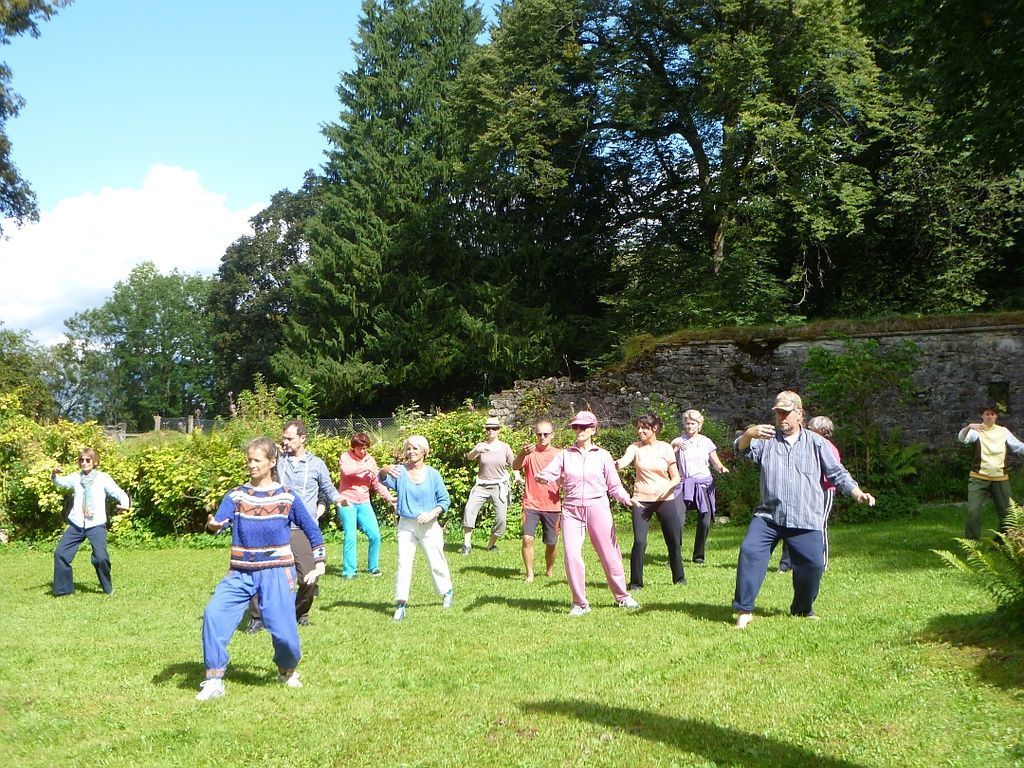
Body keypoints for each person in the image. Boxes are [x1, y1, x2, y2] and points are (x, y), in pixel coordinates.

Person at [732, 391, 875, 629]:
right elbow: (741, 449)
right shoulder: (766, 439)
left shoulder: (817, 443)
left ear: (799, 414)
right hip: (769, 517)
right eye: (778, 413)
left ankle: (802, 609)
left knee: (813, 566)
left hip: (805, 517)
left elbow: (837, 473)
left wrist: (857, 493)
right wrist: (748, 433)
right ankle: (744, 610)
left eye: (786, 413)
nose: (781, 418)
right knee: (750, 552)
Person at [197, 437, 326, 700]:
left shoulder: (286, 496)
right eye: (249, 460)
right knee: (214, 614)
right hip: (240, 572)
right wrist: (212, 526)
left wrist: (320, 562)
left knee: (285, 634)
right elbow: (218, 524)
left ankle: (286, 670)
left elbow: (311, 529)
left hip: (277, 572)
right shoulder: (236, 495)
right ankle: (214, 680)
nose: (251, 465)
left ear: (272, 461)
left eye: (257, 460)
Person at [536, 410, 641, 615]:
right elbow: (550, 472)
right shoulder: (565, 455)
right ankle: (580, 604)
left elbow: (614, 485)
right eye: (576, 427)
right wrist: (543, 476)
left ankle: (622, 597)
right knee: (571, 555)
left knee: (609, 554)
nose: (579, 430)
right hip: (571, 510)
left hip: (597, 507)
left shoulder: (603, 455)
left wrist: (626, 498)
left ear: (593, 429)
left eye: (583, 427)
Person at [246, 419, 342, 633]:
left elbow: (328, 488)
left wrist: (339, 499)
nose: (285, 442)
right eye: (284, 438)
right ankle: (257, 617)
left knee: (309, 575)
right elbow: (261, 456)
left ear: (303, 438)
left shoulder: (316, 464)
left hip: (303, 528)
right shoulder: (278, 460)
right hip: (276, 524)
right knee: (258, 571)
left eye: (290, 438)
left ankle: (298, 613)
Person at [380, 435, 454, 621]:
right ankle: (401, 604)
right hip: (406, 525)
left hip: (429, 525)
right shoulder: (400, 472)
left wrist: (432, 514)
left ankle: (446, 592)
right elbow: (381, 478)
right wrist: (384, 469)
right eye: (408, 448)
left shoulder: (433, 474)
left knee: (436, 561)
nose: (411, 452)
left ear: (424, 451)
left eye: (415, 448)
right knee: (404, 562)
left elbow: (444, 500)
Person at [616, 412, 685, 590]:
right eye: (638, 428)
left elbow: (676, 477)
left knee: (673, 540)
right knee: (640, 541)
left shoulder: (665, 448)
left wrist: (667, 486)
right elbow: (624, 461)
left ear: (655, 428)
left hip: (665, 500)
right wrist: (614, 464)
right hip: (641, 500)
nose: (640, 431)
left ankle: (679, 578)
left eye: (644, 428)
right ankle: (635, 583)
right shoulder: (635, 447)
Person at [51, 448, 130, 596]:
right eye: (82, 460)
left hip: (96, 524)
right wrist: (54, 474)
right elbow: (60, 482)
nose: (84, 463)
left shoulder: (103, 478)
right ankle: (64, 591)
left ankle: (107, 588)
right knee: (60, 554)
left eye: (88, 460)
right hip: (77, 524)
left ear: (95, 462)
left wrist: (125, 504)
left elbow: (118, 492)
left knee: (101, 558)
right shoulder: (76, 477)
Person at [777, 415, 840, 572]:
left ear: (822, 431)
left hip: (824, 490)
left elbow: (834, 473)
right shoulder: (806, 444)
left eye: (811, 429)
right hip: (806, 491)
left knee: (820, 525)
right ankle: (788, 563)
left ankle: (822, 563)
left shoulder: (828, 447)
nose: (807, 431)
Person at [670, 409, 729, 564]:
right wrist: (673, 447)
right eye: (687, 423)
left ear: (699, 425)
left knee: (705, 521)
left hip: (703, 484)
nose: (690, 426)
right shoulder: (679, 441)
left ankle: (698, 555)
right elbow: (667, 459)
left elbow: (715, 462)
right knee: (677, 518)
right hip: (684, 484)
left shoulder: (706, 442)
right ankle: (675, 555)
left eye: (693, 423)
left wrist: (721, 468)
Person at [958, 403, 1024, 539]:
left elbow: (1018, 447)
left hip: (1000, 478)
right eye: (987, 414)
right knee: (973, 512)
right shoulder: (976, 430)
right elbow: (962, 439)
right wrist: (968, 427)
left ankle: (1002, 543)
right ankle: (972, 545)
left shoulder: (1003, 431)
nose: (989, 417)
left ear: (996, 416)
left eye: (992, 414)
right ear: (982, 416)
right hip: (978, 478)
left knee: (1008, 514)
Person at [337, 432, 395, 578]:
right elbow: (346, 471)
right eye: (360, 448)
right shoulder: (346, 457)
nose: (363, 451)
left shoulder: (370, 460)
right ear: (353, 447)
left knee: (375, 535)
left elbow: (377, 483)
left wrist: (390, 498)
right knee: (350, 536)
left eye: (365, 448)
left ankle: (373, 567)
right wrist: (365, 468)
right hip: (346, 501)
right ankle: (349, 571)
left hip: (364, 502)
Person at [512, 419, 563, 582]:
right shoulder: (529, 453)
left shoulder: (560, 454)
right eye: (539, 434)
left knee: (552, 542)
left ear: (552, 435)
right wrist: (522, 453)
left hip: (552, 505)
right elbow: (515, 466)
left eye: (545, 434)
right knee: (527, 538)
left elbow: (568, 475)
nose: (542, 437)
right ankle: (530, 574)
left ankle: (549, 570)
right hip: (531, 504)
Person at [461, 416, 516, 555]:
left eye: (494, 428)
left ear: (499, 430)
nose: (491, 430)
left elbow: (514, 464)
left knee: (501, 519)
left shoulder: (505, 447)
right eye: (488, 428)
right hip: (482, 485)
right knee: (469, 510)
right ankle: (466, 545)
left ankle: (491, 545)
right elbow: (469, 457)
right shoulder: (481, 445)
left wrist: (518, 476)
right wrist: (476, 450)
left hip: (499, 486)